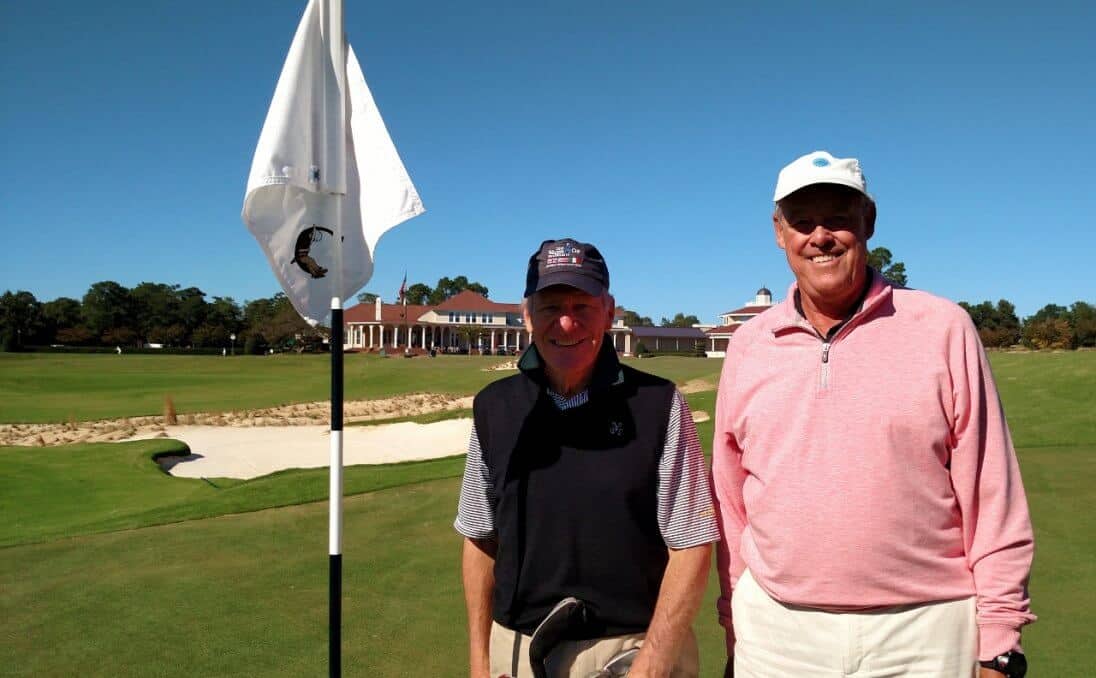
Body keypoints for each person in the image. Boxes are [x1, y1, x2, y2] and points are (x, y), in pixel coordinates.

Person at [711, 151, 1035, 677]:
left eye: (838, 216)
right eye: (802, 220)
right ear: (779, 232)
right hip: (777, 632)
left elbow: (991, 489)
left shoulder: (942, 327)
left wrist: (999, 638)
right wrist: (735, 619)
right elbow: (729, 499)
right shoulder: (749, 344)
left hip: (924, 630)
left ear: (869, 222)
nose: (820, 235)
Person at [455, 238, 719, 678]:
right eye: (550, 306)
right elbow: (479, 538)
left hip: (633, 651)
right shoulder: (493, 408)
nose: (566, 322)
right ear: (526, 315)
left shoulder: (659, 404)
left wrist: (649, 668)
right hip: (517, 652)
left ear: (609, 310)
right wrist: (481, 664)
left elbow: (691, 544)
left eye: (582, 306)